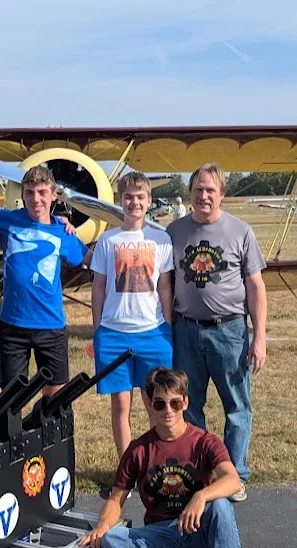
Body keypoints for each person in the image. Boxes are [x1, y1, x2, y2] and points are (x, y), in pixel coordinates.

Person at [80, 368, 255, 548]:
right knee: (113, 538)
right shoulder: (138, 450)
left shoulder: (203, 441)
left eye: (175, 402)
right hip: (164, 547)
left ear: (185, 402)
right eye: (159, 403)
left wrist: (201, 495)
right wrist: (101, 526)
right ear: (149, 404)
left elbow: (232, 479)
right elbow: (116, 499)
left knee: (221, 504)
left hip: (202, 546)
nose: (168, 410)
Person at [166, 164, 267, 503]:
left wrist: (260, 337)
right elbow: (163, 282)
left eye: (210, 190)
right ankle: (199, 474)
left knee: (237, 406)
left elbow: (256, 286)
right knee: (189, 408)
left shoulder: (241, 231)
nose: (204, 195)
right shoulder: (174, 231)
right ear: (190, 193)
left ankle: (235, 475)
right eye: (198, 189)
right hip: (186, 330)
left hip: (230, 331)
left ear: (221, 194)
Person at [90, 171, 174, 458]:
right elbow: (99, 285)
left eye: (140, 197)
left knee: (156, 402)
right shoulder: (108, 240)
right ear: (120, 201)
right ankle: (126, 468)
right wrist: (98, 328)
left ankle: (156, 464)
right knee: (121, 404)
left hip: (153, 331)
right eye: (128, 197)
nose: (134, 203)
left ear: (149, 201)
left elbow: (164, 285)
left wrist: (169, 324)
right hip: (114, 333)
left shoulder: (161, 239)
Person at [0, 165, 88, 396]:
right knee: (10, 399)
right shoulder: (6, 219)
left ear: (53, 194)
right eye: (29, 192)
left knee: (56, 399)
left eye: (42, 192)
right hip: (13, 325)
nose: (36, 199)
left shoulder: (63, 231)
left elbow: (92, 260)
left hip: (50, 325)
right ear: (22, 194)